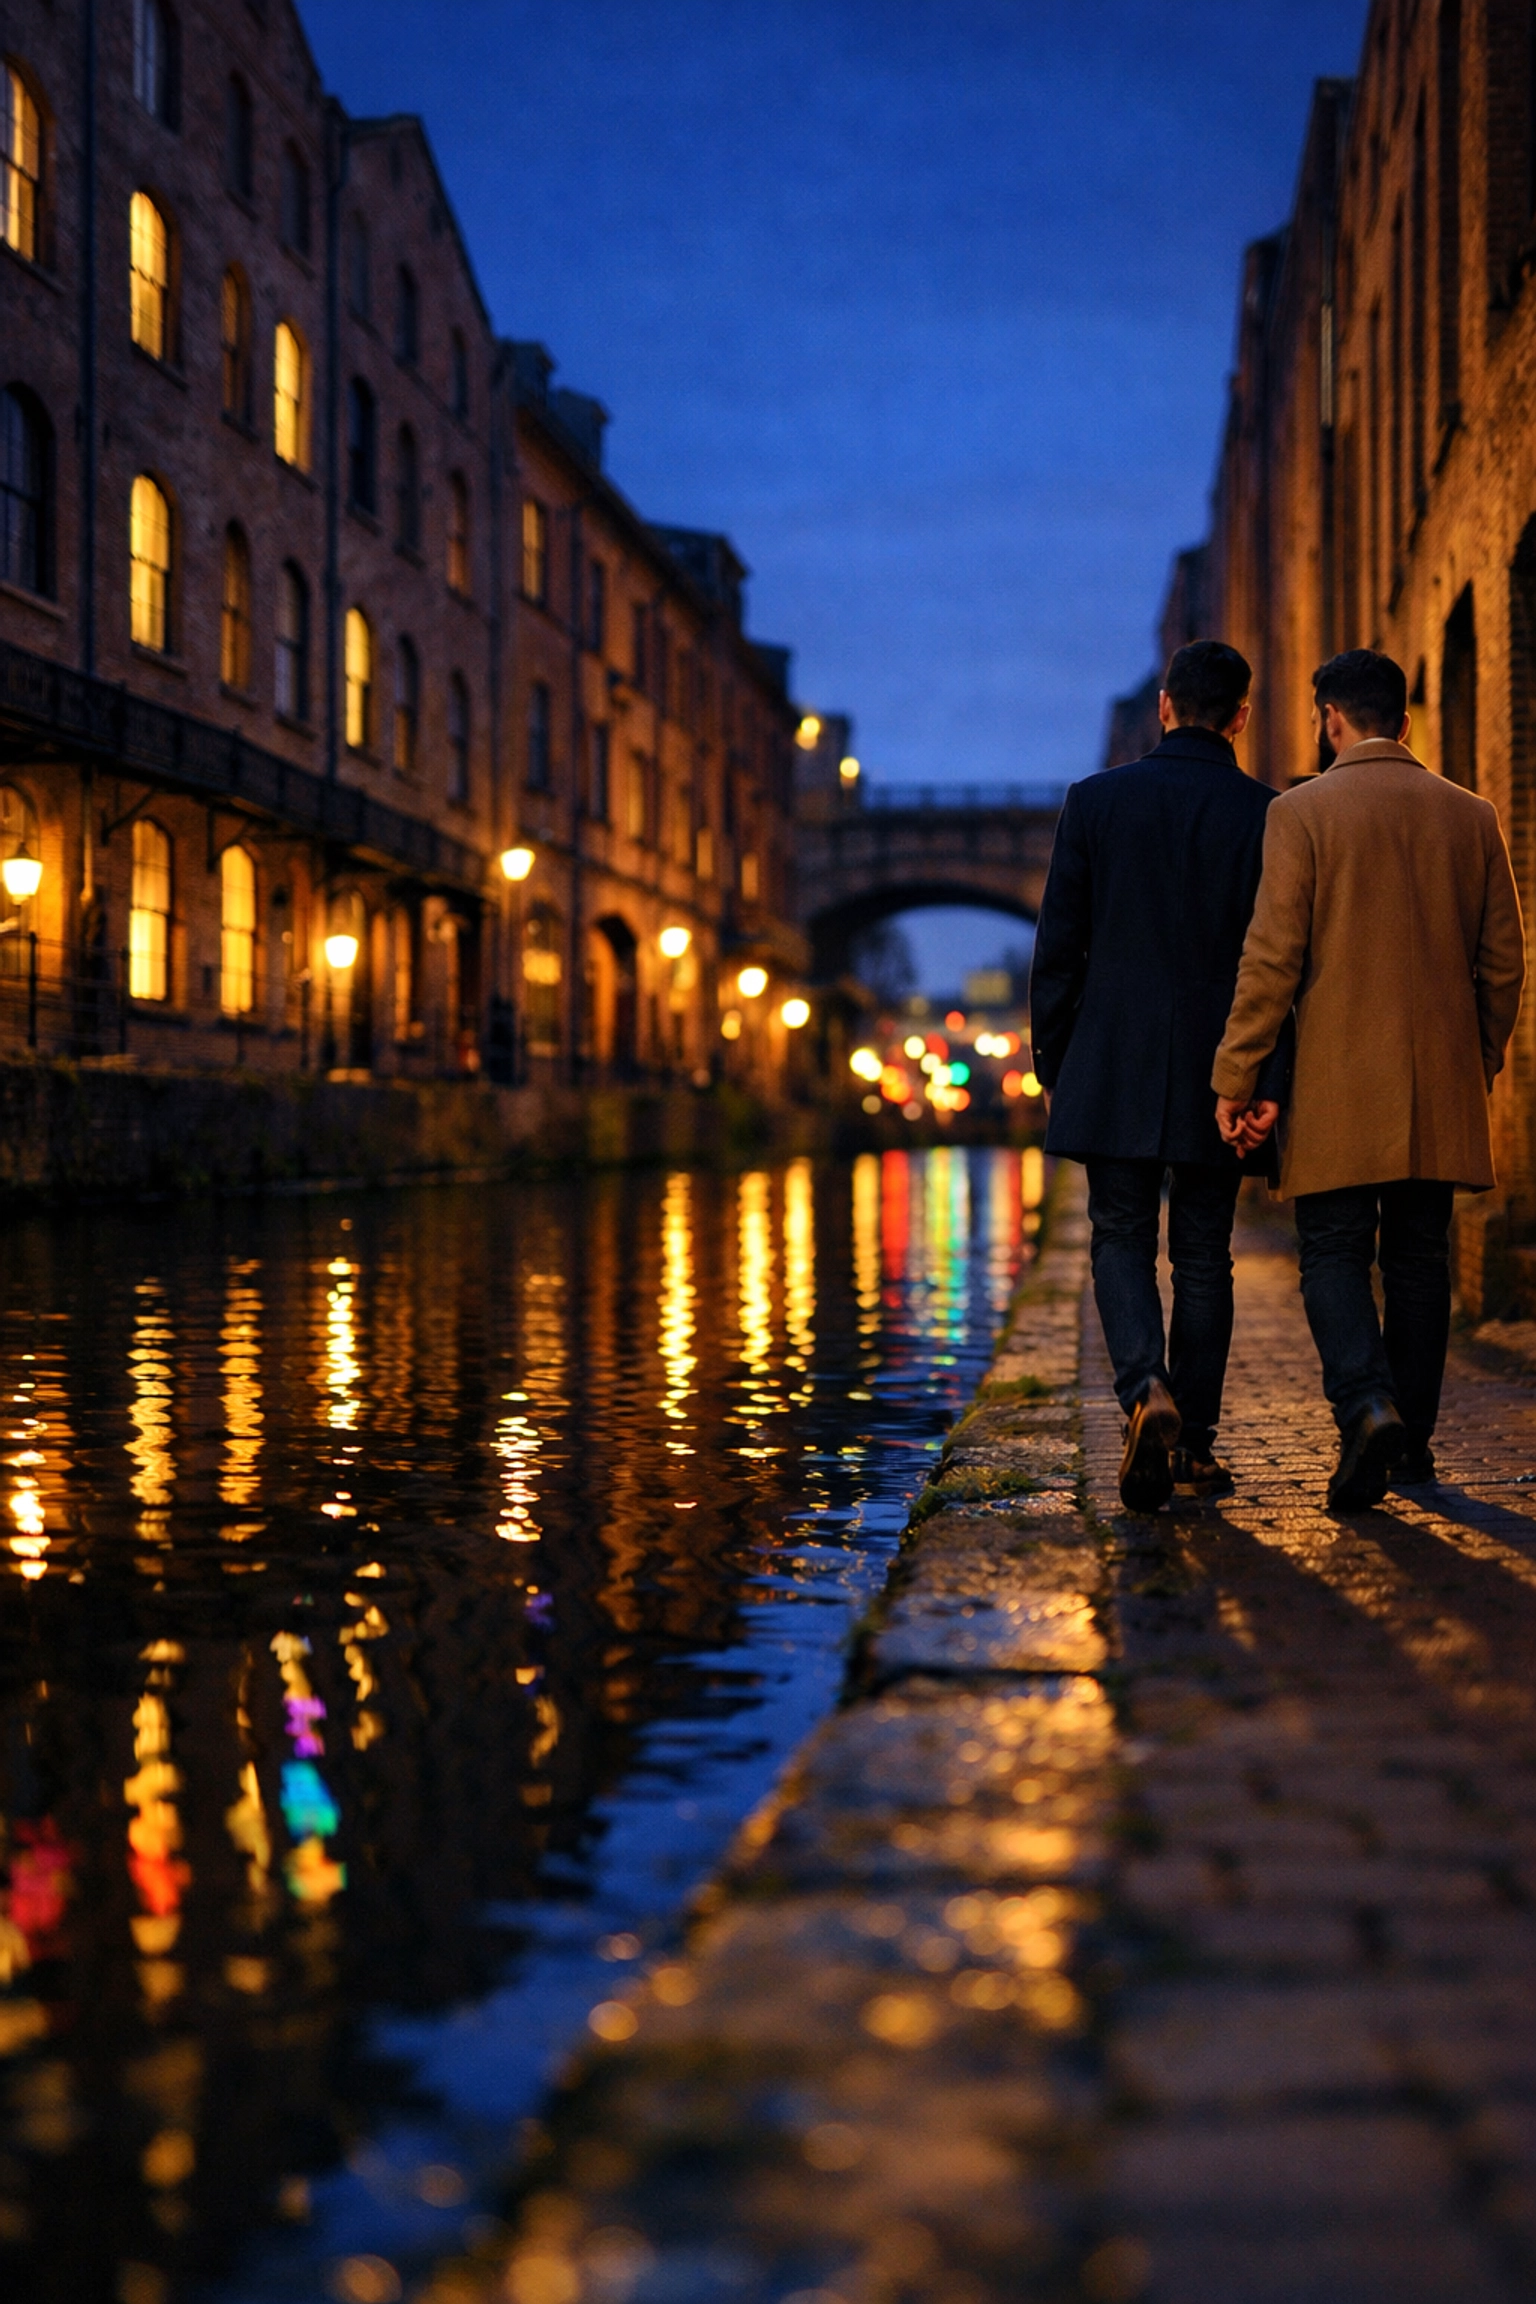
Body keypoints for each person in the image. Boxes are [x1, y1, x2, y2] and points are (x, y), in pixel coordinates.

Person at [1213, 648, 1525, 1511]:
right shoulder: (1471, 815)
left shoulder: (1301, 813)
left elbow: (1271, 959)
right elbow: (1504, 963)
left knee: (1334, 1254)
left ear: (1329, 719)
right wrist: (1478, 1058)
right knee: (1422, 1262)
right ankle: (1411, 1447)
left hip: (1336, 1085)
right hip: (1436, 1085)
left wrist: (1236, 1073)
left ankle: (1364, 1403)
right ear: (1406, 722)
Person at [1031, 639, 1288, 1513]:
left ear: (1166, 707)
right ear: (1241, 715)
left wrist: (1054, 1062)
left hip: (1115, 1058)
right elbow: (1280, 959)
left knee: (1118, 1233)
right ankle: (1197, 1448)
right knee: (1205, 1250)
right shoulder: (1268, 813)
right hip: (1226, 1063)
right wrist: (1267, 1075)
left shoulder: (1095, 803)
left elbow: (1058, 949)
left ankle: (1146, 1391)